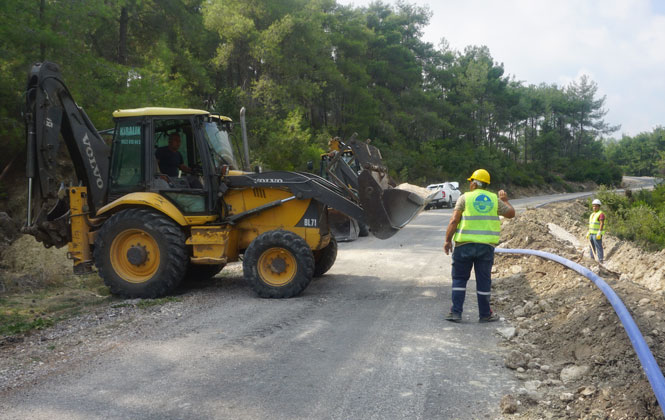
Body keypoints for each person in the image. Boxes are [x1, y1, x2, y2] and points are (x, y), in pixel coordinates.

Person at [443, 169, 515, 323]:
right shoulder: (494, 199)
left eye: (471, 181)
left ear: (474, 183)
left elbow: (454, 220)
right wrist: (506, 200)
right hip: (486, 247)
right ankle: (485, 314)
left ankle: (456, 313)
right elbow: (510, 213)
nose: (470, 184)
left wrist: (448, 240)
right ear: (486, 184)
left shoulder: (464, 198)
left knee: (459, 279)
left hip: (464, 245)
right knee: (483, 280)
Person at [587, 198, 605, 263]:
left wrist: (599, 232)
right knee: (591, 247)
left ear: (599, 207)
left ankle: (600, 260)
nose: (594, 207)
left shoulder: (601, 214)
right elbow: (591, 225)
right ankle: (592, 259)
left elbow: (601, 223)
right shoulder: (592, 214)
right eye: (593, 206)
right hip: (591, 233)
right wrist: (588, 232)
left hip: (597, 234)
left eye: (596, 206)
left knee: (598, 246)